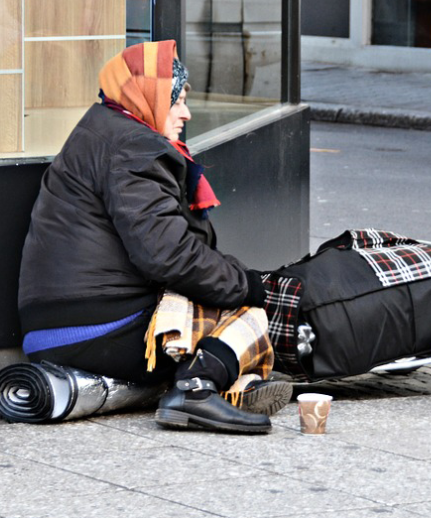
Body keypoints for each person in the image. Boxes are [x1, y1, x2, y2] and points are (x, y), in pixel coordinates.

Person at [16, 40, 291, 433]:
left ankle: (231, 387)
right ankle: (196, 392)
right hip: (94, 329)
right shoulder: (132, 146)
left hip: (64, 323)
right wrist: (247, 285)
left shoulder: (106, 129)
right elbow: (169, 256)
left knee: (215, 303)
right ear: (148, 96)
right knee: (248, 315)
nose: (186, 113)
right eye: (176, 100)